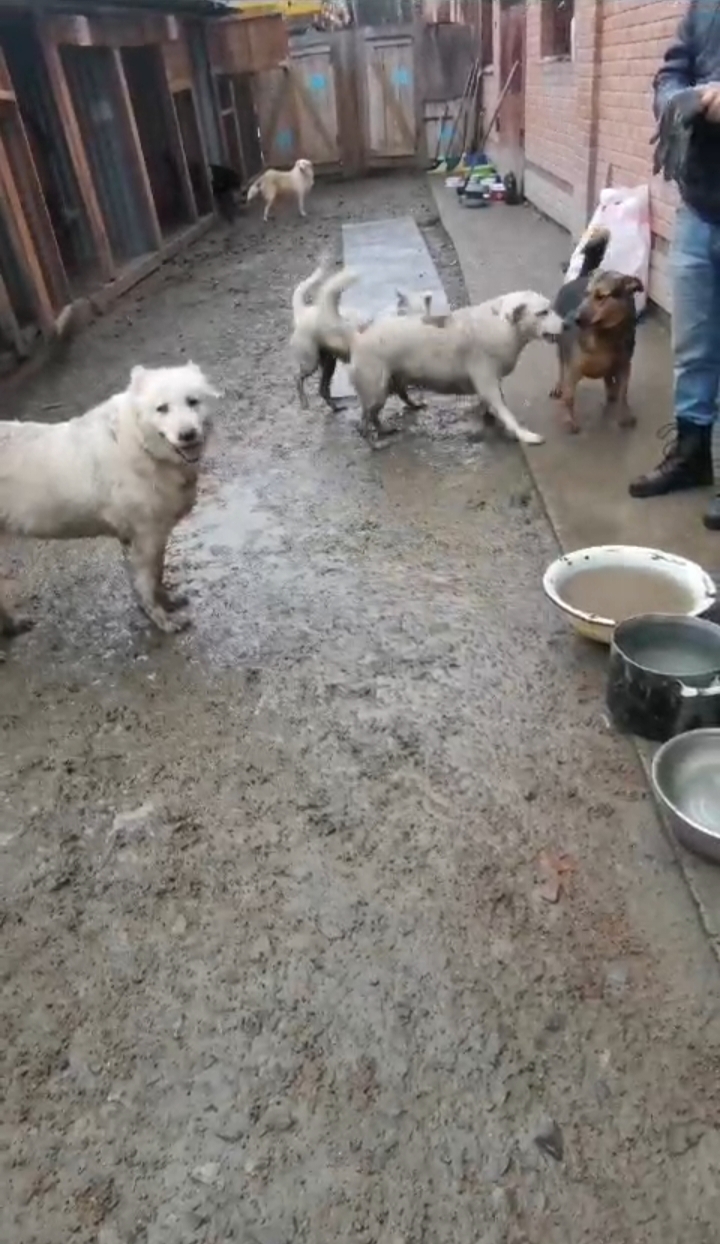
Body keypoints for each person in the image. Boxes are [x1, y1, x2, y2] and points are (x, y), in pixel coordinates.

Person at [629, 0, 720, 528]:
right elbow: (671, 72)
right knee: (693, 346)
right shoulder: (704, 8)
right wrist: (681, 100)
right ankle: (692, 455)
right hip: (699, 205)